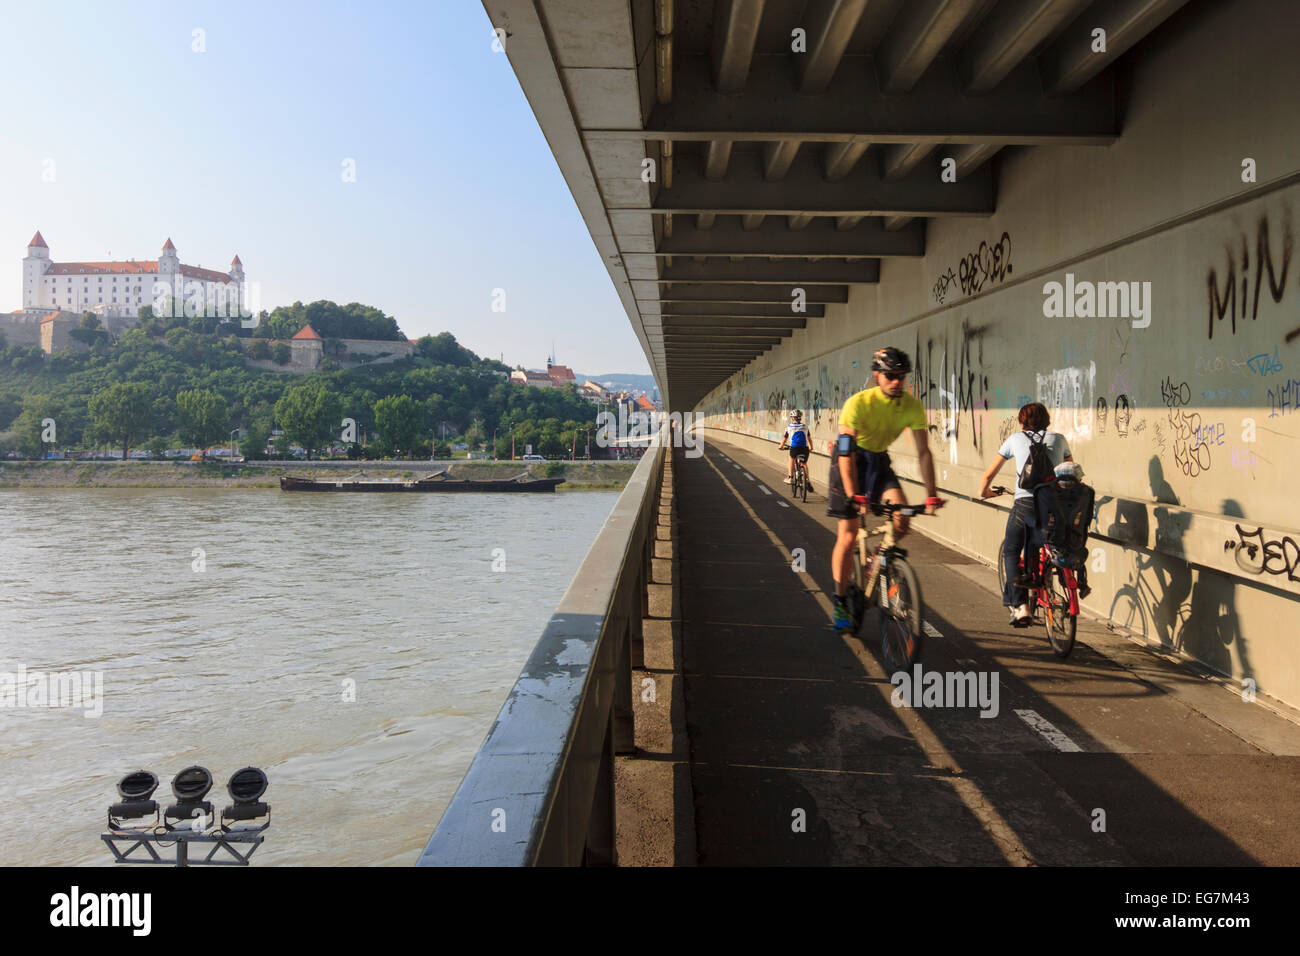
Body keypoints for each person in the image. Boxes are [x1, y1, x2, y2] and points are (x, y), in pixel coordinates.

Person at [829, 347, 944, 630]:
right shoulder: (858, 403)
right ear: (877, 375)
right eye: (890, 376)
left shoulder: (912, 406)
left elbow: (924, 452)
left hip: (879, 462)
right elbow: (846, 453)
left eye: (901, 377)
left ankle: (878, 556)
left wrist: (931, 493)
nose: (896, 382)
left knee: (902, 519)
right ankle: (841, 601)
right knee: (848, 534)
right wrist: (853, 493)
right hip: (851, 463)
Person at [976, 402, 1084, 627]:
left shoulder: (1015, 439)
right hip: (1054, 505)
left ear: (1022, 421)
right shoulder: (1059, 439)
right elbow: (1072, 472)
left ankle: (1021, 606)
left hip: (1025, 503)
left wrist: (984, 491)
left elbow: (989, 474)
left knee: (1012, 550)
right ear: (1047, 420)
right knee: (1051, 541)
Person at [778, 409, 813, 492]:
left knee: (791, 459)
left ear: (793, 418)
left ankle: (790, 477)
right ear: (800, 418)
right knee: (804, 463)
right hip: (804, 449)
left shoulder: (789, 427)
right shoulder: (805, 427)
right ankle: (807, 480)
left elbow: (784, 439)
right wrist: (811, 447)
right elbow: (809, 439)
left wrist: (781, 446)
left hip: (794, 448)